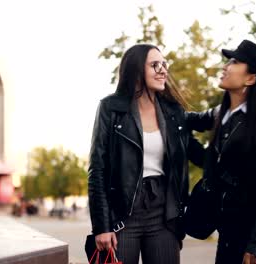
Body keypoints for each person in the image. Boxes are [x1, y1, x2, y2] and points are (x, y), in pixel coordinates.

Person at [88, 44, 205, 264]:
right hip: (123, 215)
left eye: (164, 64)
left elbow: (200, 156)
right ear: (135, 70)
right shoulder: (111, 109)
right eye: (155, 65)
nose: (163, 70)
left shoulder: (173, 111)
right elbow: (98, 170)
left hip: (165, 213)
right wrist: (101, 227)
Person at [186, 40, 256, 264]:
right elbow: (212, 162)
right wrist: (172, 124)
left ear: (251, 78)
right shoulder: (223, 114)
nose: (225, 66)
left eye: (234, 61)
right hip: (229, 231)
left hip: (252, 240)